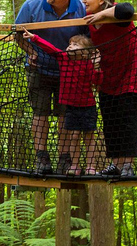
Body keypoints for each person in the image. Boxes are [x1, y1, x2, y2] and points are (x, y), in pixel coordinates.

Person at [82, 0, 137, 177]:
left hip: (134, 68)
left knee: (128, 117)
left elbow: (127, 9)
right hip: (111, 71)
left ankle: (127, 166)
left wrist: (102, 14)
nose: (84, 0)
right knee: (110, 117)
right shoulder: (87, 19)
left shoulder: (117, 13)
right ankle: (116, 164)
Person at [15, 0, 87, 174]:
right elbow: (17, 35)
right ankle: (42, 159)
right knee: (40, 113)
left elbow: (89, 39)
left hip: (69, 71)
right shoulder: (32, 4)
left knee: (65, 115)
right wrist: (31, 52)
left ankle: (65, 159)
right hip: (39, 68)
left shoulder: (81, 7)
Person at [22, 29, 102, 175]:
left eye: (76, 45)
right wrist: (35, 38)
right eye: (70, 44)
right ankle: (75, 166)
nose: (70, 46)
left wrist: (96, 67)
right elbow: (50, 48)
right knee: (74, 136)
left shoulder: (88, 64)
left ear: (85, 53)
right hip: (71, 106)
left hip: (88, 106)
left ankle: (91, 166)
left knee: (89, 137)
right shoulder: (64, 58)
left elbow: (96, 82)